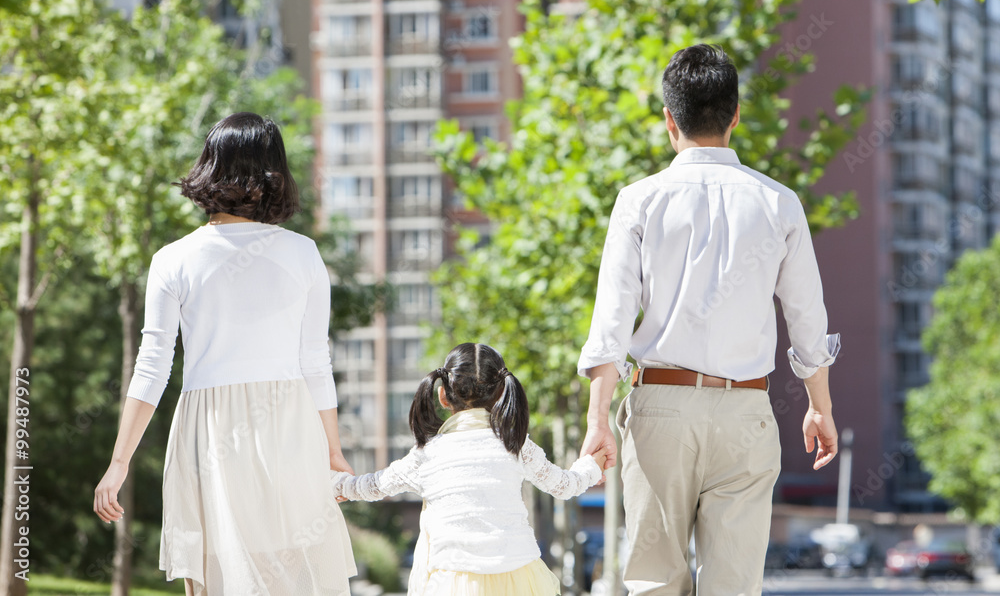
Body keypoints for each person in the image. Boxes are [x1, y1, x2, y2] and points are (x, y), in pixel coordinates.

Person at [577, 44, 840, 595]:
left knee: (654, 583)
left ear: (669, 120)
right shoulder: (780, 203)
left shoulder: (639, 200)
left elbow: (612, 320)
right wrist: (820, 405)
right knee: (734, 587)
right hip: (745, 410)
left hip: (660, 410)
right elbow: (807, 321)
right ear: (736, 115)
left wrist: (598, 418)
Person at [93, 112, 357, 596]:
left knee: (213, 576)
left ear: (209, 165)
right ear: (274, 171)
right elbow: (315, 362)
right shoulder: (304, 254)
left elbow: (152, 368)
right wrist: (333, 451)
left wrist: (119, 460)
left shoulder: (172, 259)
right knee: (293, 574)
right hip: (290, 424)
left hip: (208, 428)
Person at [331, 342, 606, 595]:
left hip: (452, 582)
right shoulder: (516, 446)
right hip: (519, 577)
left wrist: (334, 483)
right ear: (501, 394)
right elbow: (565, 485)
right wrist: (593, 464)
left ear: (443, 396)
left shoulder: (427, 454)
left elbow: (372, 486)